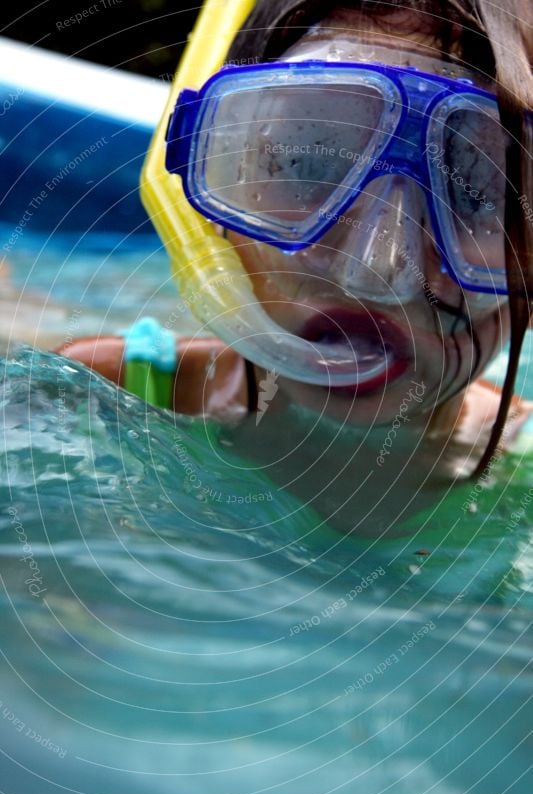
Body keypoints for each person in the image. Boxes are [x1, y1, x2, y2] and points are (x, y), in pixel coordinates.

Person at [57, 0, 533, 536]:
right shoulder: (97, 396)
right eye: (307, 160)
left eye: (482, 194)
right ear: (212, 177)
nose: (376, 270)